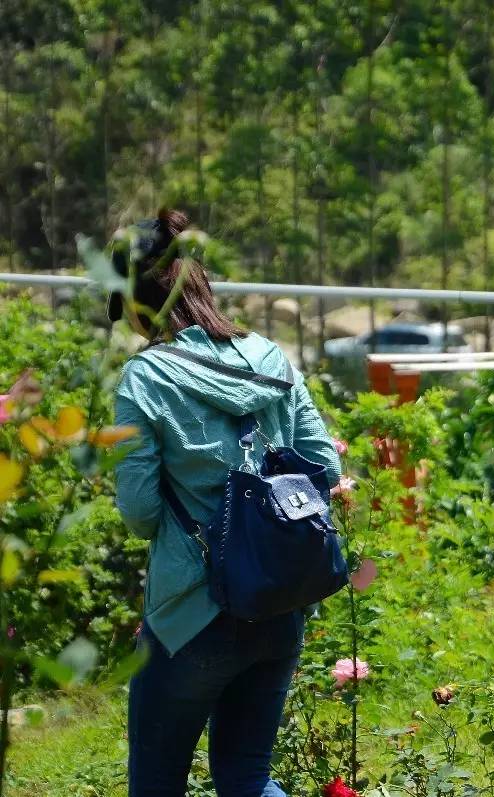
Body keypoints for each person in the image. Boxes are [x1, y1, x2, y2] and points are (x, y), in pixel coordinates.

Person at [112, 209, 341, 796]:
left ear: (141, 304)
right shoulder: (271, 358)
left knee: (157, 785)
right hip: (279, 603)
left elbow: (138, 513)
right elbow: (327, 467)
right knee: (247, 779)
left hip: (192, 612)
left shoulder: (145, 379)